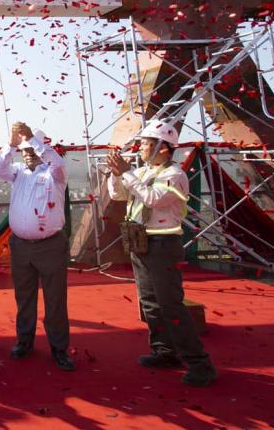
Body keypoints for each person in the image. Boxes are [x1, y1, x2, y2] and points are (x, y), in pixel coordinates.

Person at [106, 119, 218, 387]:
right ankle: (164, 351)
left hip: (163, 244)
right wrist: (116, 173)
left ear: (164, 148)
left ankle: (199, 363)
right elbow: (120, 195)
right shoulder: (143, 172)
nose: (140, 148)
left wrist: (128, 173)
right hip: (141, 241)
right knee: (150, 302)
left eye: (146, 143)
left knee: (170, 303)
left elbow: (153, 199)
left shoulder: (175, 175)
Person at [0, 122, 75, 371]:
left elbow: (58, 164)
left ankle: (59, 348)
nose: (28, 155)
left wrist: (34, 141)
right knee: (24, 297)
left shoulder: (55, 174)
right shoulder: (17, 171)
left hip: (49, 246)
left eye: (33, 150)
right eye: (25, 151)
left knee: (55, 299)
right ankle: (25, 341)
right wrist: (11, 143)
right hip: (20, 246)